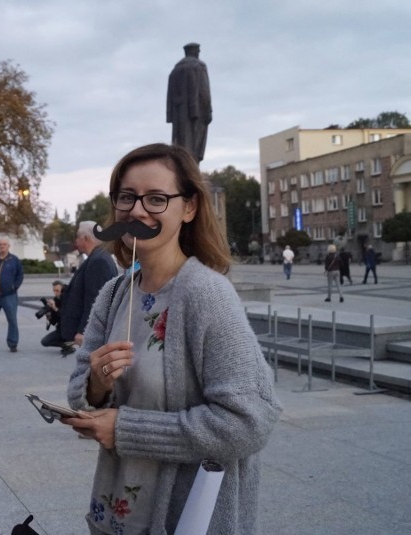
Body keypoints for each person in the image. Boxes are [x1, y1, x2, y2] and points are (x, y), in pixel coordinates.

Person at [62, 143, 281, 534]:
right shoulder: (114, 293)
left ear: (190, 207)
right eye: (126, 197)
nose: (137, 211)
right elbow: (80, 389)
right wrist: (96, 385)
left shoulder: (206, 295)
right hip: (115, 515)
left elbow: (250, 421)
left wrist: (125, 430)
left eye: (157, 199)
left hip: (184, 519)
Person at [60, 221, 118, 351]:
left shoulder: (98, 261)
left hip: (91, 332)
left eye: (77, 237)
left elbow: (95, 300)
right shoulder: (98, 257)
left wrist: (83, 330)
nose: (76, 241)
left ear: (85, 238)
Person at [166, 43, 212, 162]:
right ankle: (192, 175)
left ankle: (184, 172)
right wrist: (208, 111)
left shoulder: (175, 70)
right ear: (195, 52)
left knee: (180, 147)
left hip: (179, 116)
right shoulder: (199, 66)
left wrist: (170, 115)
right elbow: (204, 91)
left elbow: (169, 96)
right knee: (194, 149)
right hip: (197, 113)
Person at [39, 280, 74, 356]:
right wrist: (49, 316)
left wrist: (55, 308)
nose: (55, 293)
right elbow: (55, 321)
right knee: (44, 342)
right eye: (54, 291)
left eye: (57, 291)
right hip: (61, 329)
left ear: (63, 289)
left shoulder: (70, 299)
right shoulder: (56, 299)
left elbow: (66, 316)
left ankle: (70, 343)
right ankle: (67, 345)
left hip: (70, 330)